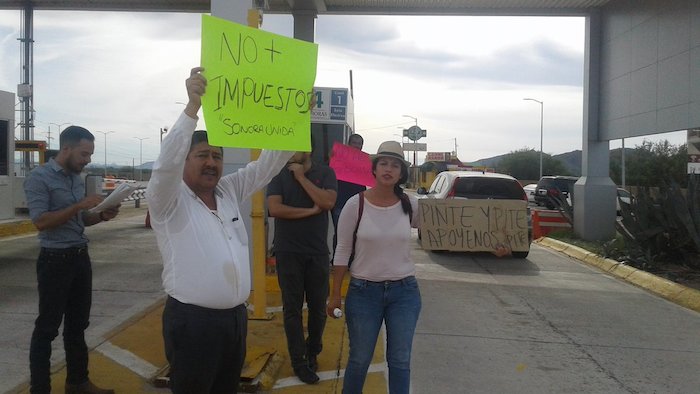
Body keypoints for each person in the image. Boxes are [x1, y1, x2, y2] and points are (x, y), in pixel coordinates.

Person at [146, 67, 294, 393]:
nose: (211, 162)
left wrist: (296, 119)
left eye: (217, 156)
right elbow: (164, 166)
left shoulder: (227, 192)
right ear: (185, 161)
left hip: (234, 322)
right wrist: (191, 109)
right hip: (192, 324)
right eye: (202, 155)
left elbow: (267, 165)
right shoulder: (168, 201)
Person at [24, 126, 120, 394]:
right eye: (83, 154)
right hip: (54, 261)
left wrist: (101, 215)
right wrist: (79, 206)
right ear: (66, 149)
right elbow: (41, 222)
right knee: (47, 328)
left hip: (79, 257)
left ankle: (78, 382)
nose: (87, 159)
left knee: (78, 326)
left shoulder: (77, 178)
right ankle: (39, 389)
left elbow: (82, 221)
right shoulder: (38, 178)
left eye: (89, 154)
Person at [266, 149, 337, 384]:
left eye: (294, 146)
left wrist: (301, 178)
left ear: (307, 149)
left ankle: (313, 351)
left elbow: (327, 201)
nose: (289, 152)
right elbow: (275, 209)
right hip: (288, 252)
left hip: (317, 252)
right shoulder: (278, 175)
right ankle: (299, 361)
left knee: (318, 308)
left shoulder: (326, 173)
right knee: (292, 309)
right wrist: (309, 211)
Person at [331, 134, 367, 260]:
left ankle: (353, 260)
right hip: (340, 202)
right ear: (348, 144)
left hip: (359, 204)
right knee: (340, 233)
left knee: (357, 233)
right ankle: (337, 261)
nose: (357, 146)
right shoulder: (339, 159)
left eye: (359, 143)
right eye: (354, 142)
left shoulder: (365, 162)